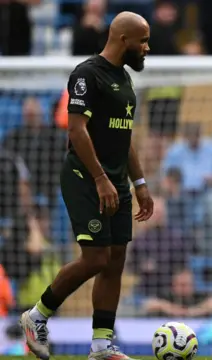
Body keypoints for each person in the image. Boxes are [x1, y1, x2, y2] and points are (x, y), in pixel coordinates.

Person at [19, 12, 154, 360]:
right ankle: (37, 316)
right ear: (123, 39)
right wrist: (100, 179)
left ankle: (101, 345)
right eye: (143, 40)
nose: (147, 47)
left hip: (116, 182)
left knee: (116, 261)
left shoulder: (125, 80)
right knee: (95, 258)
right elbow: (76, 130)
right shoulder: (86, 75)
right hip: (85, 178)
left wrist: (139, 184)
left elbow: (126, 137)